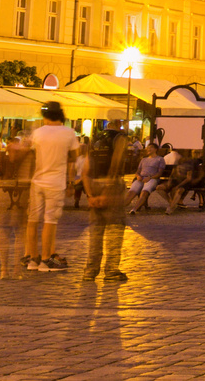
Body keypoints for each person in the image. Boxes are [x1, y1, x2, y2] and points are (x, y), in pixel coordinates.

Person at [23, 102, 78, 272]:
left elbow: (30, 152)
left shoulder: (38, 133)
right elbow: (74, 157)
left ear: (45, 116)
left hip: (37, 180)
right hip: (55, 181)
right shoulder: (69, 133)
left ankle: (32, 258)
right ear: (61, 115)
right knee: (50, 220)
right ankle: (46, 259)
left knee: (32, 219)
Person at [83, 116, 129, 284]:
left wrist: (90, 195)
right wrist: (108, 192)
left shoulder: (95, 138)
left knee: (96, 231)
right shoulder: (120, 138)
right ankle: (111, 270)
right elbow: (116, 164)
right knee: (115, 230)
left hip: (94, 185)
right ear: (119, 123)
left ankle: (90, 270)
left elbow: (86, 169)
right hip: (112, 186)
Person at [0, 133, 31, 279]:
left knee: (4, 232)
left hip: (3, 191)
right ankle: (16, 270)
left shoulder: (6, 156)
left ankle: (4, 270)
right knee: (19, 232)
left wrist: (2, 154)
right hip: (21, 191)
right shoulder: (26, 156)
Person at [127, 145, 165, 214]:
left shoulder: (160, 159)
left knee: (144, 192)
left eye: (150, 148)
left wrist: (150, 177)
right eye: (147, 148)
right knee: (131, 192)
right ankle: (119, 208)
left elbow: (160, 173)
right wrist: (138, 176)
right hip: (141, 178)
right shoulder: (143, 159)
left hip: (152, 178)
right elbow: (137, 171)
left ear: (155, 149)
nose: (148, 149)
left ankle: (134, 209)